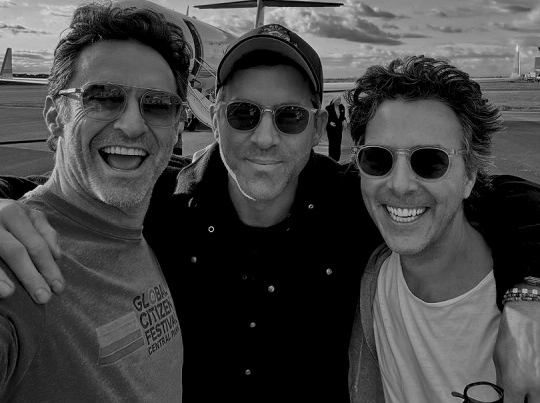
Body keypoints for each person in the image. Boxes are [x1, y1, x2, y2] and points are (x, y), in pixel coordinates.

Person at [0, 28, 540, 401]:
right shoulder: (161, 205)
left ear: (316, 126)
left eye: (289, 118)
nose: (263, 137)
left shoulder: (359, 201)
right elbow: (61, 194)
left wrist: (527, 296)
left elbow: (496, 197)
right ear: (214, 118)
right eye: (242, 114)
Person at [0, 0, 191, 401]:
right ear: (56, 116)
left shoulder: (142, 231)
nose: (132, 125)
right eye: (102, 97)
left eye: (158, 105)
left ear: (177, 127)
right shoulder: (20, 260)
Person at [346, 56, 540, 402]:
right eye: (377, 158)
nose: (400, 185)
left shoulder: (528, 326)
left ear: (470, 176)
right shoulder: (370, 277)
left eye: (430, 161)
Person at [325, 95, 347, 161]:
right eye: (337, 100)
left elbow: (343, 117)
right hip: (331, 129)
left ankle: (337, 159)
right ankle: (331, 158)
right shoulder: (328, 108)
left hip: (339, 128)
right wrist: (329, 123)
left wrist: (344, 120)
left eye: (340, 99)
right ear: (334, 100)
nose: (339, 101)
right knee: (332, 144)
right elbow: (326, 118)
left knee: (338, 143)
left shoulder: (342, 107)